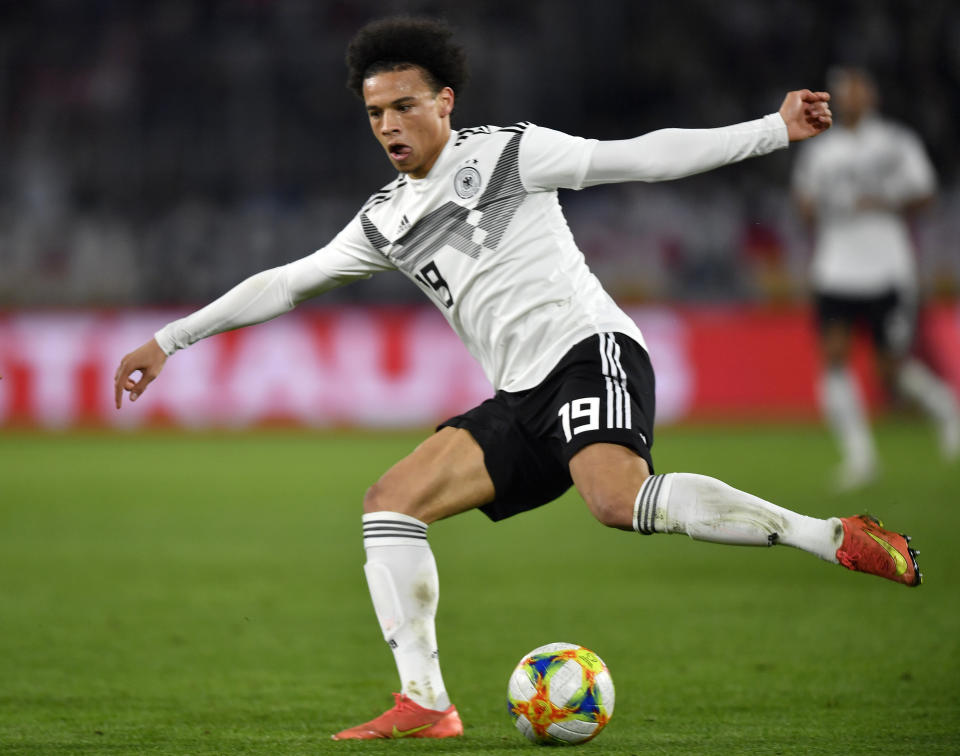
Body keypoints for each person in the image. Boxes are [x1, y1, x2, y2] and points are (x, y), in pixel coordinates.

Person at [114, 19, 921, 741]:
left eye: (403, 106)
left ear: (445, 101)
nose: (389, 126)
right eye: (374, 114)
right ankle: (426, 704)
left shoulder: (506, 153)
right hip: (520, 395)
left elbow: (636, 158)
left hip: (590, 350)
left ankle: (832, 536)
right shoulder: (385, 219)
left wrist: (772, 131)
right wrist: (170, 338)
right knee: (389, 505)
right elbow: (288, 282)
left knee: (615, 500)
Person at [793, 65, 960, 491]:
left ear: (872, 97)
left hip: (887, 266)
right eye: (843, 92)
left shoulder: (897, 143)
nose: (850, 98)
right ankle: (859, 455)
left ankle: (946, 410)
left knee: (891, 370)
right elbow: (804, 203)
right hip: (835, 267)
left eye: (857, 91)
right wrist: (823, 207)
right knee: (833, 356)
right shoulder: (819, 151)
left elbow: (926, 193)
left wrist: (882, 201)